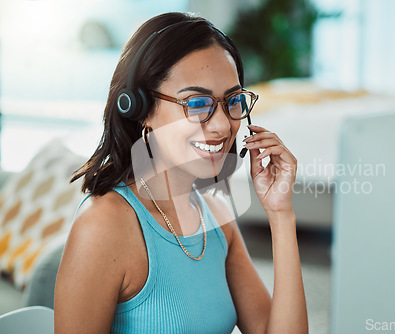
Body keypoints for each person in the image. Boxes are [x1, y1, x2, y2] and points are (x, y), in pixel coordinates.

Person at [54, 12, 308, 333]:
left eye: (232, 100)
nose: (221, 125)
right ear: (139, 108)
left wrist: (281, 215)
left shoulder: (215, 212)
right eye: (197, 103)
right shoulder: (103, 225)